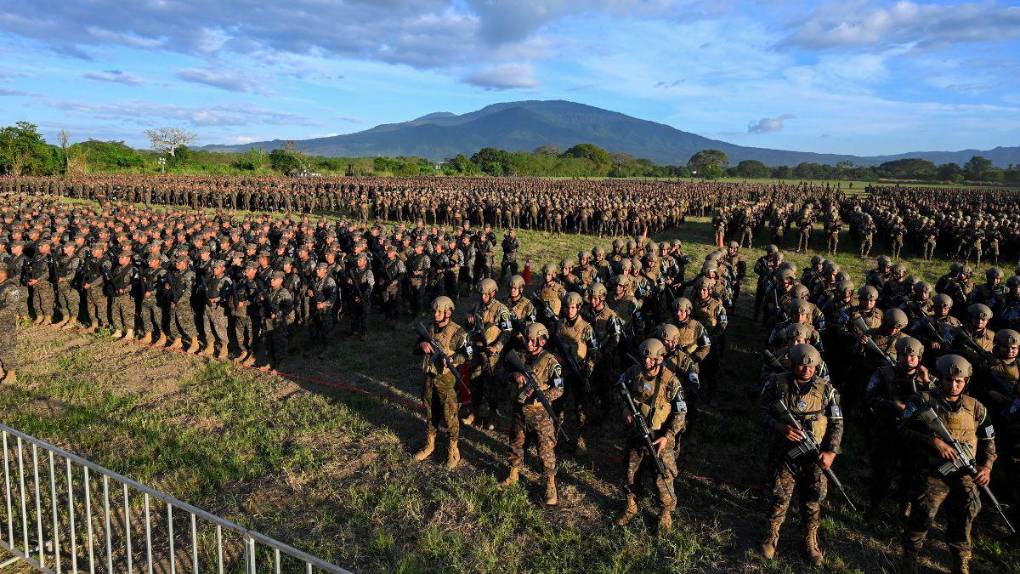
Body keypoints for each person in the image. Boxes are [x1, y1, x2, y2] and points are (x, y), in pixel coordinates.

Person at [901, 355, 997, 574]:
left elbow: (988, 440)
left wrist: (987, 466)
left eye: (959, 381)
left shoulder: (976, 408)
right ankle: (910, 557)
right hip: (932, 470)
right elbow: (904, 429)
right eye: (948, 380)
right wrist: (933, 441)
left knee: (966, 515)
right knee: (923, 514)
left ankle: (960, 560)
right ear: (941, 378)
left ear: (966, 382)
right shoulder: (922, 400)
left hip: (965, 472)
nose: (953, 385)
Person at [758, 344, 843, 565]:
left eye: (811, 366)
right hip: (784, 452)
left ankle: (810, 540)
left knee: (813, 499)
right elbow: (762, 411)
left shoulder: (827, 390)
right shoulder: (776, 383)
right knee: (779, 496)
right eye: (803, 366)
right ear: (794, 364)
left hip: (815, 455)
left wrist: (831, 452)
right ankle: (772, 535)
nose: (807, 370)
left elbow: (836, 423)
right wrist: (781, 428)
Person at [614, 338, 687, 533]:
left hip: (660, 437)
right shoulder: (633, 373)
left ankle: (665, 512)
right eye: (644, 357)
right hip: (637, 434)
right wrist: (625, 410)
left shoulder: (671, 382)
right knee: (630, 473)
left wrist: (668, 436)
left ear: (660, 359)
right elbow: (619, 392)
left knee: (662, 478)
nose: (646, 362)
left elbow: (681, 413)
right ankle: (631, 505)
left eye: (651, 358)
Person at [500, 322, 564, 506]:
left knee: (545, 450)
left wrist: (542, 394)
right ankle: (513, 473)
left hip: (540, 413)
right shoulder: (519, 356)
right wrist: (515, 377)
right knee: (516, 442)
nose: (528, 343)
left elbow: (559, 389)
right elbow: (505, 373)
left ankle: (550, 484)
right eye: (527, 339)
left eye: (532, 340)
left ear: (542, 341)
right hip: (520, 410)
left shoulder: (551, 362)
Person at [414, 296, 471, 469]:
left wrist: (453, 358)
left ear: (448, 312)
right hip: (430, 377)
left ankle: (453, 449)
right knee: (430, 410)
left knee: (450, 415)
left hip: (446, 380)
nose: (436, 315)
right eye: (435, 311)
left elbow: (469, 353)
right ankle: (430, 444)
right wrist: (423, 344)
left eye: (440, 312)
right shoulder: (430, 328)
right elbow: (415, 348)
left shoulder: (458, 332)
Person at [0, 264, 20, 383]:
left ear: (2, 273)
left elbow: (13, 307)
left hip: (6, 323)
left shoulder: (11, 288)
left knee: (7, 348)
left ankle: (11, 374)